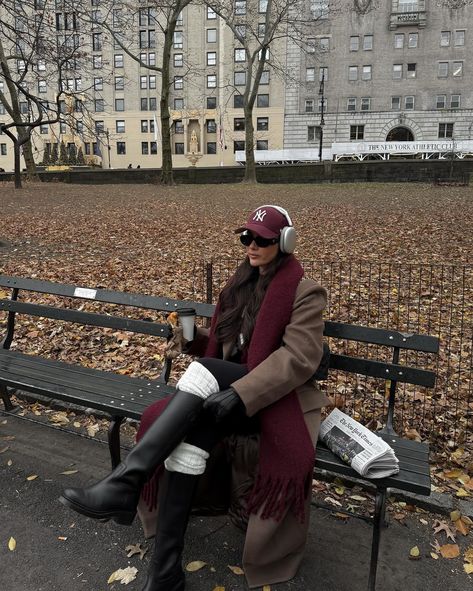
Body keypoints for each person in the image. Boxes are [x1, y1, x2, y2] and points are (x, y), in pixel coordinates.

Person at [60, 205, 328, 591]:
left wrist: (239, 391)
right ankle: (166, 571)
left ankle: (126, 482)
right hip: (228, 390)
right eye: (246, 237)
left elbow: (297, 359)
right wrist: (194, 339)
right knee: (189, 444)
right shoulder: (238, 285)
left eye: (262, 240)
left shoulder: (305, 292)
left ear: (284, 243)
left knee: (207, 377)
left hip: (272, 397)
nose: (251, 246)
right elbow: (224, 347)